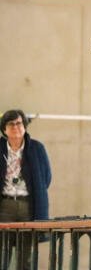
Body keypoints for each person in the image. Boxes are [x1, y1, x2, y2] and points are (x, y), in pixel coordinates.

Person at [0, 109, 52, 269]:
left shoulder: (37, 148)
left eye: (19, 123)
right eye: (11, 124)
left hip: (28, 206)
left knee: (26, 256)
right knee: (2, 254)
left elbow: (46, 178)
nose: (16, 127)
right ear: (4, 129)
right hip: (4, 206)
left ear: (25, 126)